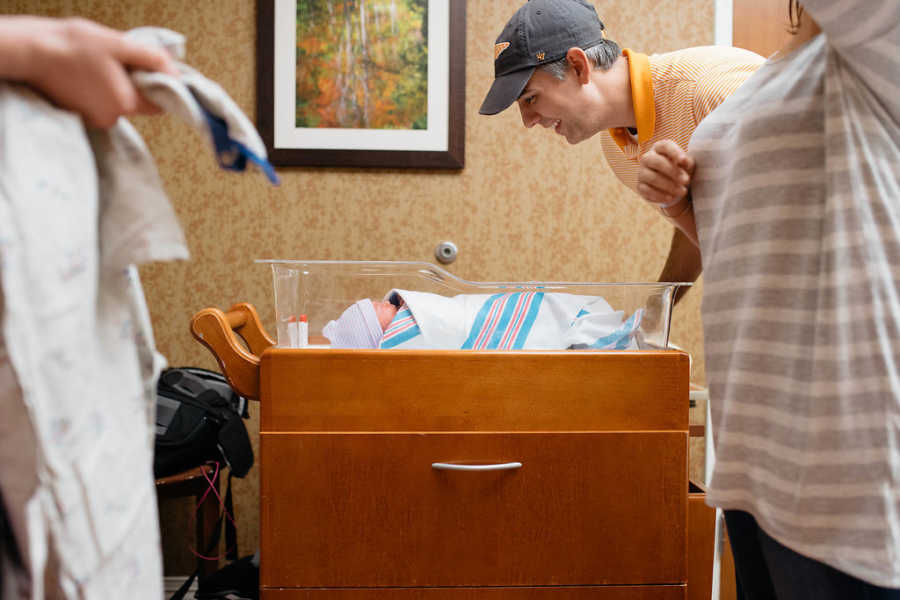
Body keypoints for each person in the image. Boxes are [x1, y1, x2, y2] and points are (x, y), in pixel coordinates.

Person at [636, 0, 900, 597]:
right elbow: (756, 245)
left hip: (843, 467)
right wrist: (680, 204)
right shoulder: (773, 77)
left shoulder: (877, 42)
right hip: (756, 459)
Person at [479, 0, 764, 302]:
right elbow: (705, 223)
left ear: (578, 66)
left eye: (531, 99)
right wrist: (656, 310)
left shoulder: (712, 91)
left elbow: (772, 232)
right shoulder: (616, 149)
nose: (528, 121)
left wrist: (677, 206)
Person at [322, 290, 646, 351]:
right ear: (379, 334)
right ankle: (612, 337)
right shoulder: (404, 334)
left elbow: (466, 311)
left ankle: (605, 333)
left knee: (540, 308)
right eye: (375, 310)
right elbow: (449, 328)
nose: (381, 302)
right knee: (559, 324)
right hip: (460, 327)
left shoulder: (409, 308)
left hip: (486, 312)